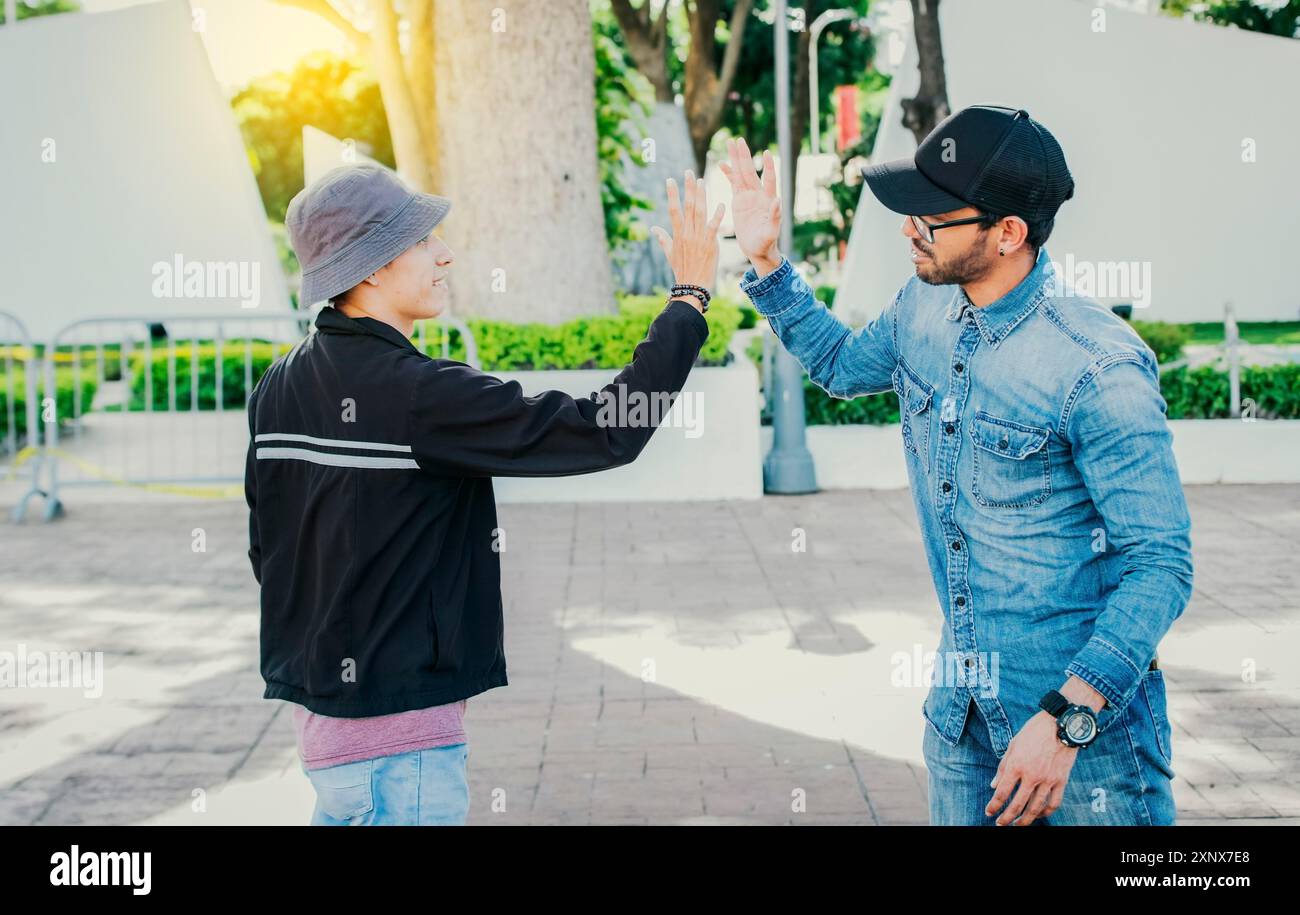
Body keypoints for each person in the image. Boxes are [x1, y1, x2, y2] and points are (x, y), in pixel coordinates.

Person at [725, 106, 1192, 825]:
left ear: (1008, 233)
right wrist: (765, 261)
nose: (910, 227)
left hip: (1086, 744)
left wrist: (1068, 720)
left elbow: (1161, 565)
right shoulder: (924, 305)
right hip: (962, 721)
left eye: (932, 215)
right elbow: (844, 367)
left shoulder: (1097, 366)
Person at [245, 162, 724, 825]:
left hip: (325, 738)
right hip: (403, 749)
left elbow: (267, 550)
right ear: (373, 267)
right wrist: (690, 298)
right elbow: (605, 431)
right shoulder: (422, 394)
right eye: (421, 241)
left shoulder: (276, 388)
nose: (444, 253)